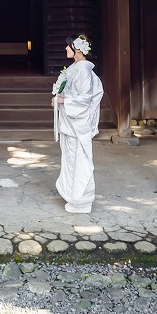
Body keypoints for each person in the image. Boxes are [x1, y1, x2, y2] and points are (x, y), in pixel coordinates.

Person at [51, 33, 104, 213]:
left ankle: (81, 200)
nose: (66, 49)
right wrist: (59, 97)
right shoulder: (75, 68)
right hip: (70, 122)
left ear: (78, 49)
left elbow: (85, 99)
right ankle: (75, 197)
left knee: (77, 159)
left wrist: (63, 101)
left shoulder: (83, 70)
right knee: (71, 159)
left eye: (69, 46)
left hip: (77, 124)